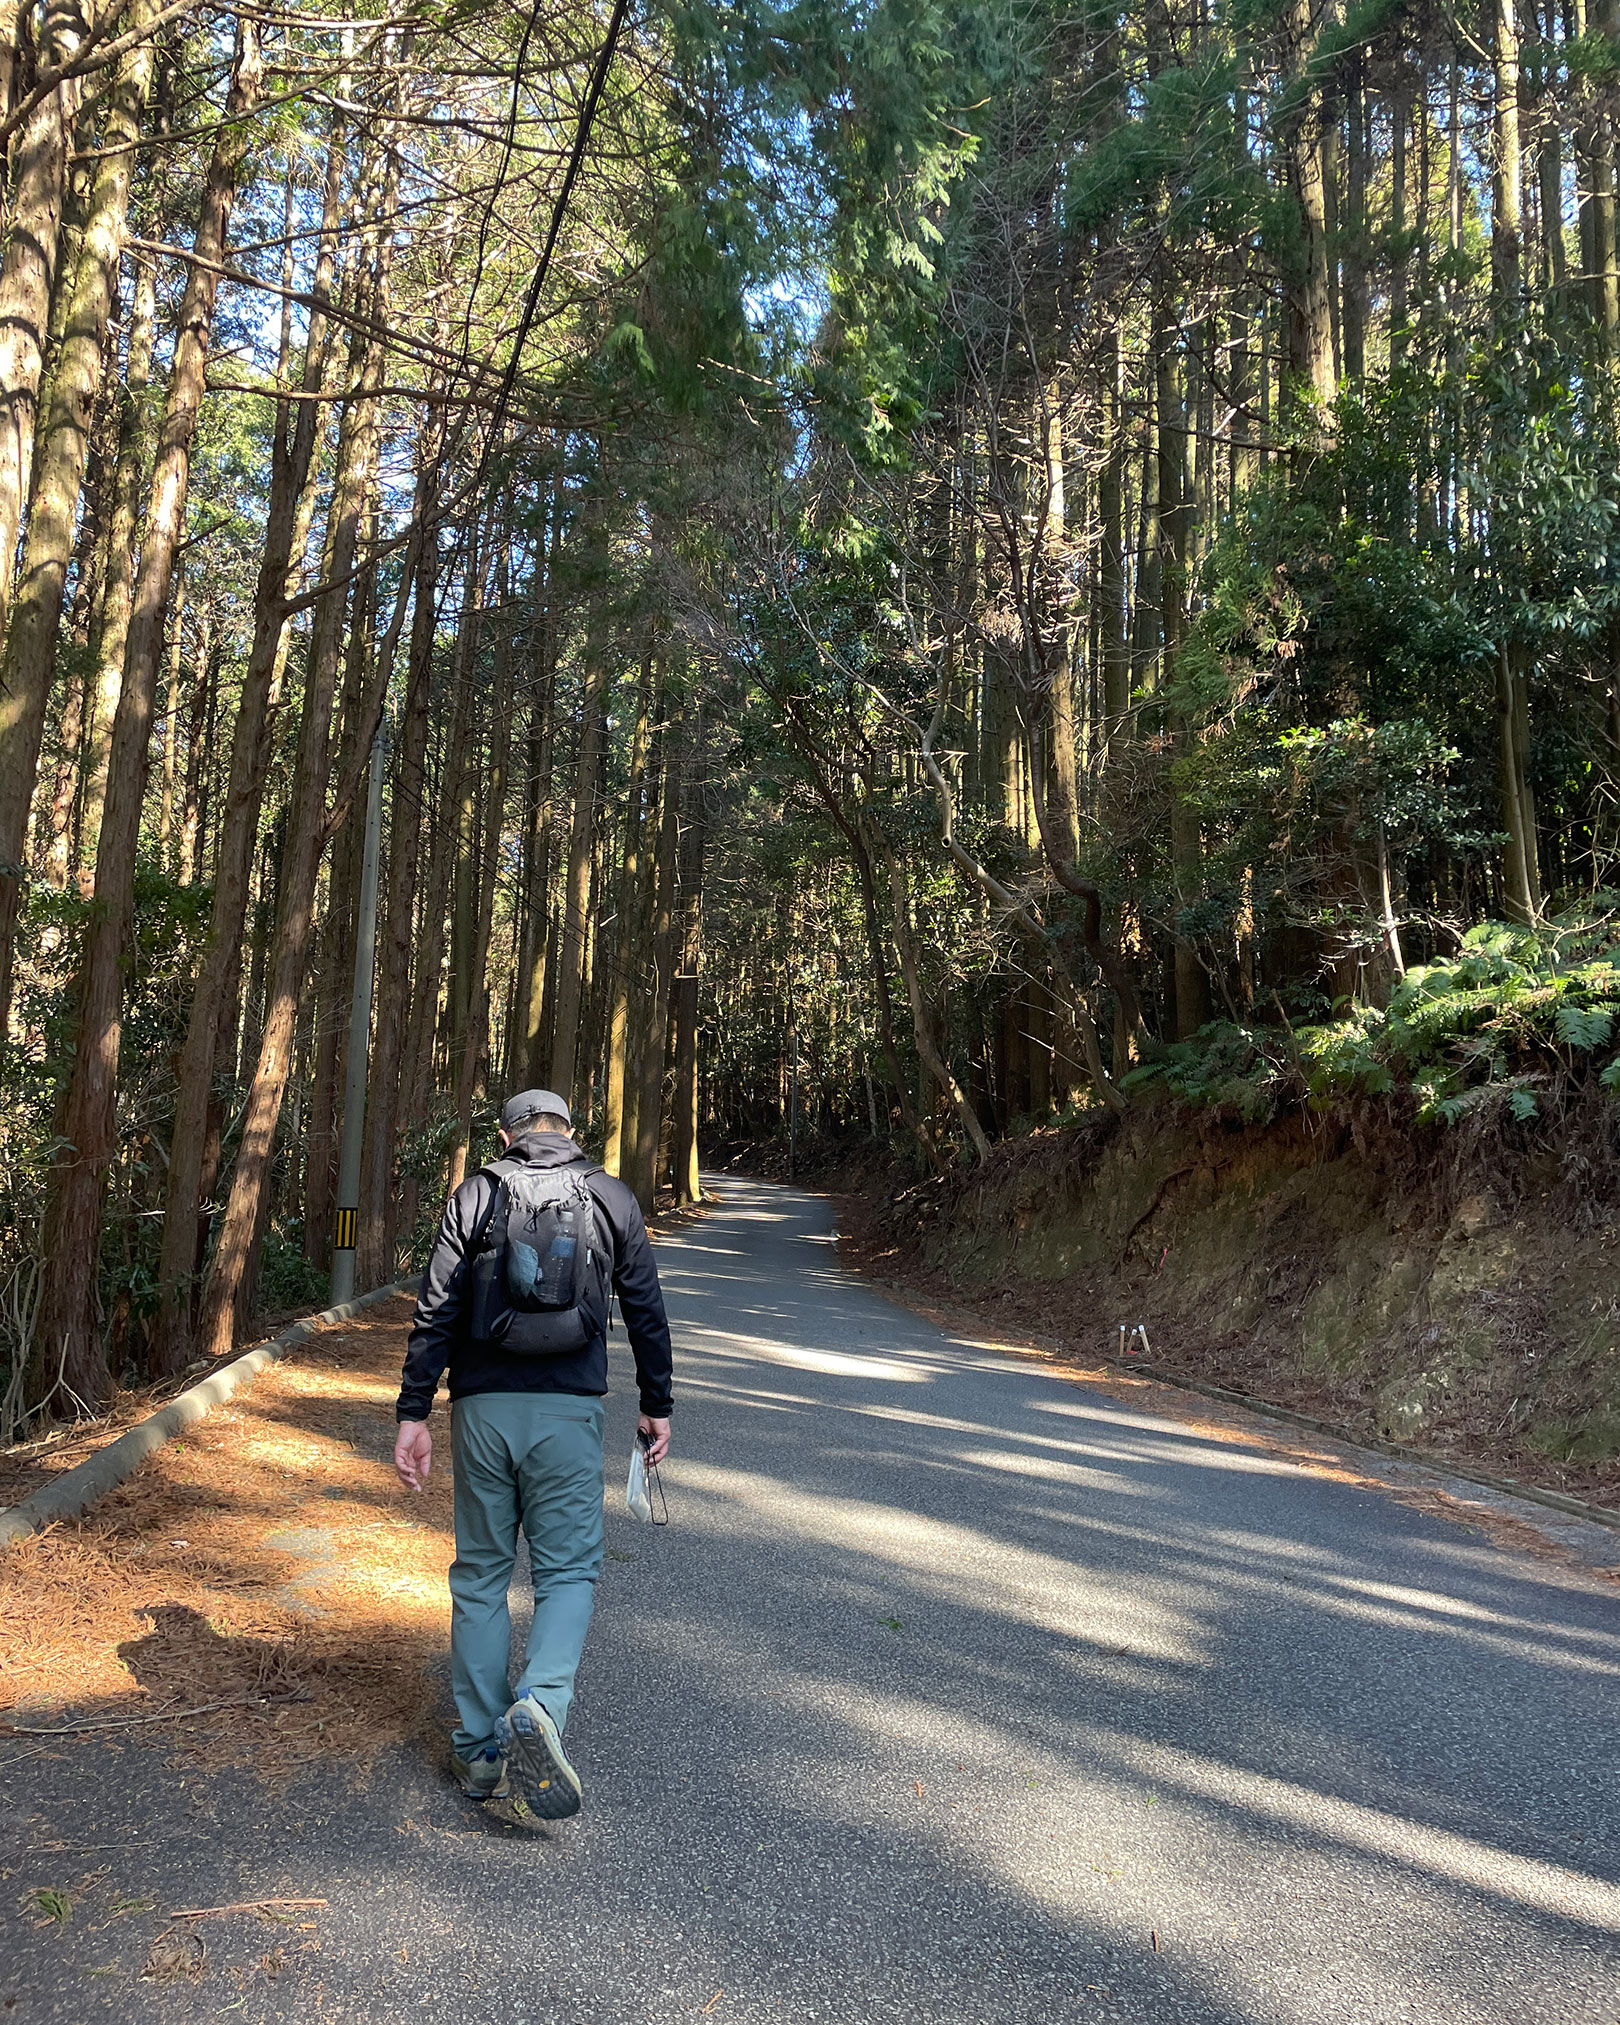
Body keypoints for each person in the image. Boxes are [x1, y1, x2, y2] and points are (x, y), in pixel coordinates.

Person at [393, 1088, 673, 1822]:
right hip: (569, 1410)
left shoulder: (475, 1194)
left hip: (482, 1409)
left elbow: (437, 1306)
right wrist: (656, 1404)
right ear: (570, 1130)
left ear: (505, 1134)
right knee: (568, 1568)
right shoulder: (609, 1196)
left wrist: (413, 1410)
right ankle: (542, 1707)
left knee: (482, 1573)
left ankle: (481, 1748)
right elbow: (644, 1305)